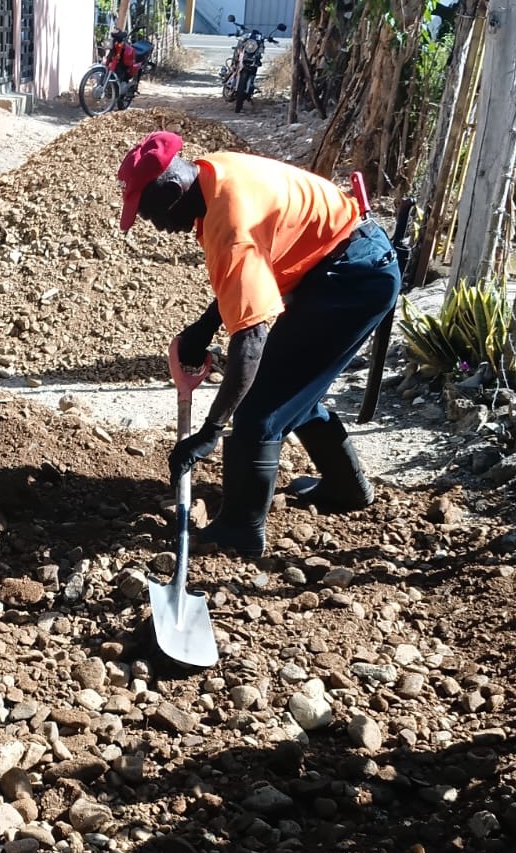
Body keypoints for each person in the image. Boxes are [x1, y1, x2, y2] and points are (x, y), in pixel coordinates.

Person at [117, 131, 401, 557]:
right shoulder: (213, 173)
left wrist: (211, 430)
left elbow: (251, 338)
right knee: (290, 390)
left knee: (257, 410)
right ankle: (346, 488)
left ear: (175, 190)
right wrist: (202, 329)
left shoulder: (229, 224)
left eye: (150, 212)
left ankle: (239, 531)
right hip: (337, 263)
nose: (154, 226)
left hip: (354, 279)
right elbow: (249, 278)